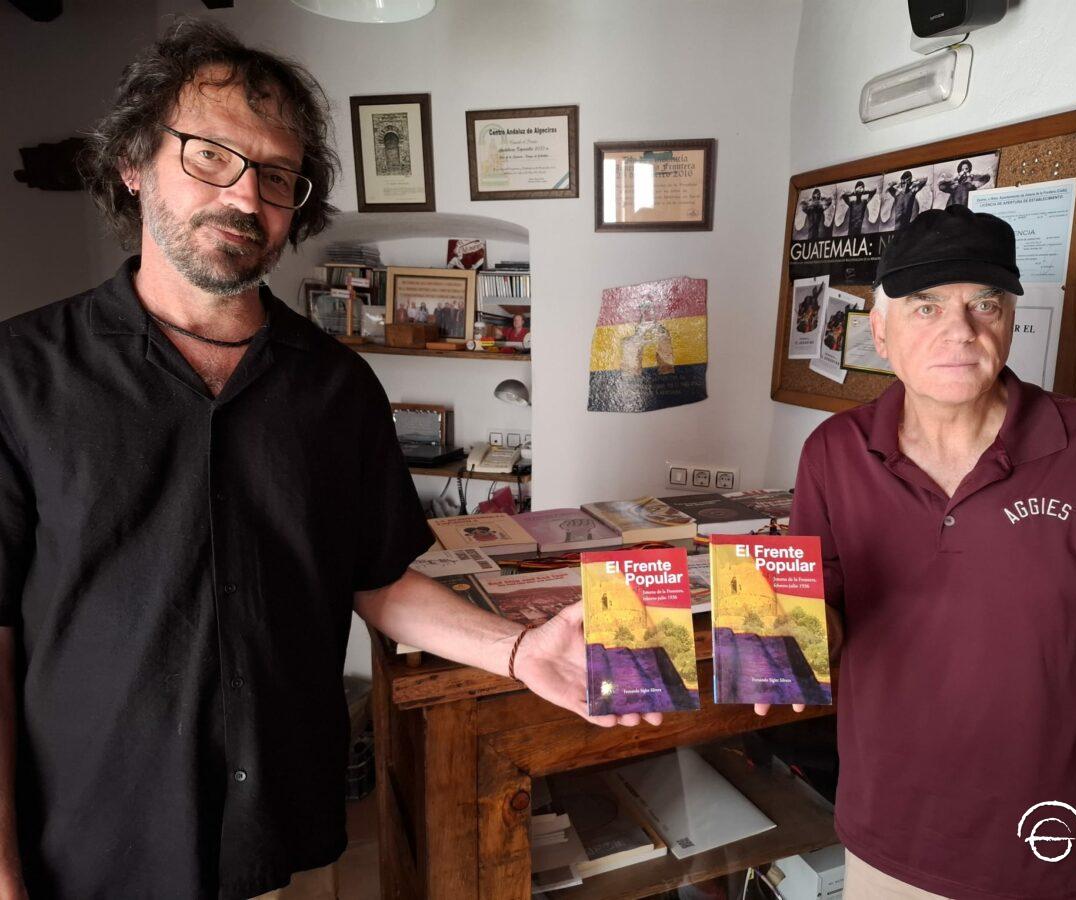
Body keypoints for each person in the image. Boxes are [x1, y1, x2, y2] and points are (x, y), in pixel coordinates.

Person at [0, 20, 658, 900]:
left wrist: (520, 651)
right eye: (211, 156)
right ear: (132, 162)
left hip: (279, 843)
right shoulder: (18, 377)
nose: (245, 195)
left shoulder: (338, 386)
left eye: (277, 176)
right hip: (83, 849)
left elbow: (375, 577)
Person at [781, 205, 1076, 899]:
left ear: (1010, 320)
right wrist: (781, 645)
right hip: (888, 840)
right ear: (879, 331)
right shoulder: (833, 452)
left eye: (985, 304)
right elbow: (816, 618)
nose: (961, 331)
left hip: (1053, 849)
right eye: (925, 306)